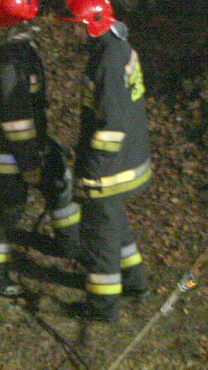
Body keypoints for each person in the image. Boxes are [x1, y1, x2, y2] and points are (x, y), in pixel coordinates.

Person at [0, 0, 81, 298]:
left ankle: (71, 245)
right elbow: (16, 120)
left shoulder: (12, 51)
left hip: (27, 145)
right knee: (7, 207)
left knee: (59, 180)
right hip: (12, 151)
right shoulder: (11, 58)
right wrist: (29, 164)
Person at [61, 0, 150, 323]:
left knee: (100, 237)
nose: (73, 32)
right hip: (129, 158)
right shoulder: (118, 49)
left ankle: (102, 307)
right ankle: (136, 281)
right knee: (113, 222)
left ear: (94, 24)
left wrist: (93, 171)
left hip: (110, 168)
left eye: (76, 26)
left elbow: (111, 126)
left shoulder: (107, 63)